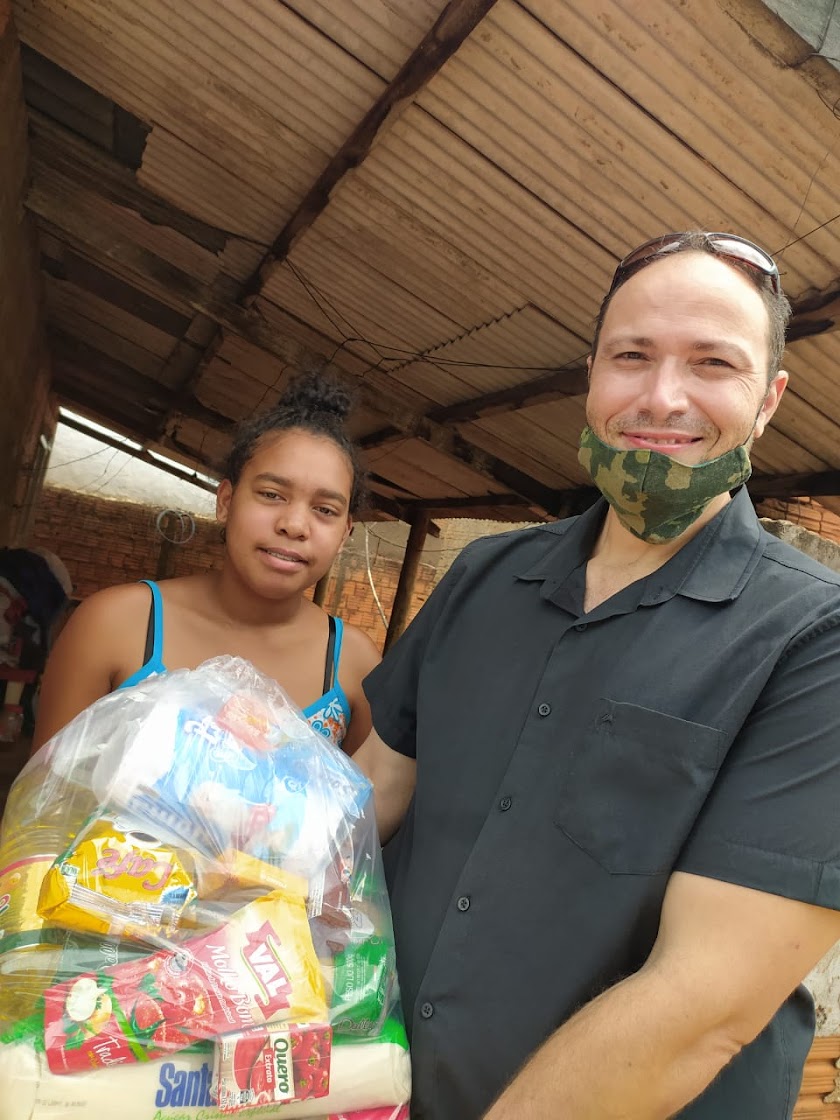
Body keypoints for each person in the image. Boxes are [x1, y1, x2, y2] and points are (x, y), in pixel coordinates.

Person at [355, 231, 840, 1119]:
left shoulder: (815, 638)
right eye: (632, 356)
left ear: (768, 401)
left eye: (712, 364)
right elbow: (370, 794)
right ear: (592, 375)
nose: (662, 397)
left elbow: (704, 1008)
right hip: (375, 1088)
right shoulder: (485, 576)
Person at [32, 373, 380, 756]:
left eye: (325, 510)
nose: (294, 525)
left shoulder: (354, 666)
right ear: (226, 501)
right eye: (271, 494)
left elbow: (363, 811)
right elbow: (38, 804)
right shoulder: (115, 623)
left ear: (345, 533)